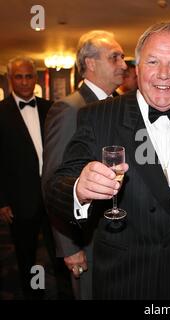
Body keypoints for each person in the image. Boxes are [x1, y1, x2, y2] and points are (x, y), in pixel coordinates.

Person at [44, 22, 170, 299]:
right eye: (154, 61)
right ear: (138, 67)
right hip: (125, 281)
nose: (164, 74)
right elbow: (57, 183)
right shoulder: (99, 116)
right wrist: (78, 190)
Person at [42, 30, 126, 299]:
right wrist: (69, 247)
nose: (124, 65)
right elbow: (53, 182)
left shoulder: (119, 105)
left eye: (123, 58)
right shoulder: (70, 109)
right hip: (86, 239)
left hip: (117, 236)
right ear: (90, 63)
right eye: (115, 58)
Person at [0, 57, 54, 299]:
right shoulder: (1, 112)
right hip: (20, 198)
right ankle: (33, 295)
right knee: (26, 253)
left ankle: (66, 292)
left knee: (61, 250)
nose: (24, 82)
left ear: (36, 78)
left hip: (53, 195)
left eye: (29, 76)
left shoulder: (51, 107)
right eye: (18, 77)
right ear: (11, 80)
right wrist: (1, 200)